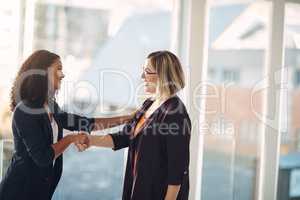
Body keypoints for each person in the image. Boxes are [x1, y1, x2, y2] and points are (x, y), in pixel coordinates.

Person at [0, 50, 132, 200]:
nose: (63, 74)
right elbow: (43, 157)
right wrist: (71, 139)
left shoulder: (51, 106)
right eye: (58, 68)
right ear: (43, 72)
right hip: (18, 192)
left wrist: (128, 118)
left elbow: (86, 123)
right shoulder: (25, 110)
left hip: (40, 191)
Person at [78, 50, 191, 200]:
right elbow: (124, 137)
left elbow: (177, 170)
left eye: (147, 72)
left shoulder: (175, 113)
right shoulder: (149, 103)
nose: (142, 76)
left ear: (163, 76)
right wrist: (90, 140)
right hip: (139, 188)